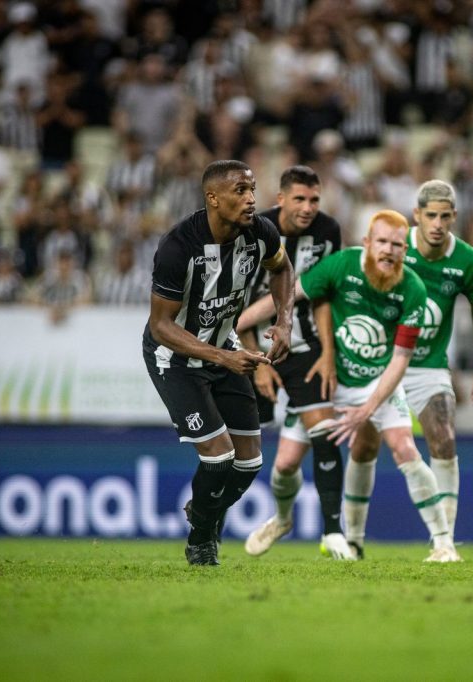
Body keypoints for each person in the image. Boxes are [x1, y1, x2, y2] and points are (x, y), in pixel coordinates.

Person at [238, 209, 461, 562]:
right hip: (329, 380)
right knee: (284, 465)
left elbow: (402, 360)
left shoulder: (413, 290)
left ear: (406, 251)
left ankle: (443, 543)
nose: (389, 251)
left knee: (405, 448)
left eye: (398, 245)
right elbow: (289, 294)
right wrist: (243, 321)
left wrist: (368, 409)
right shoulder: (342, 265)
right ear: (367, 244)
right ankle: (282, 520)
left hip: (377, 382)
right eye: (383, 242)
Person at [143, 159, 294, 566]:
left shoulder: (260, 232)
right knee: (219, 455)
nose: (250, 199)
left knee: (249, 463)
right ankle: (201, 542)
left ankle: (204, 513)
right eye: (240, 192)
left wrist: (283, 321)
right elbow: (160, 325)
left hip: (224, 350)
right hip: (175, 357)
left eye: (252, 189)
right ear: (213, 198)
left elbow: (282, 268)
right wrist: (223, 357)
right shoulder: (179, 247)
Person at [343, 180, 473, 547]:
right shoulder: (395, 246)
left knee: (444, 437)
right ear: (417, 216)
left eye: (445, 216)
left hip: (428, 365)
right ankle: (354, 538)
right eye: (431, 216)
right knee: (364, 446)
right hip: (382, 360)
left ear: (454, 217)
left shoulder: (467, 260)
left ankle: (444, 541)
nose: (438, 224)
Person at [238, 165, 355, 560]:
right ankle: (279, 519)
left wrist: (327, 350)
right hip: (251, 344)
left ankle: (334, 532)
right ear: (281, 199)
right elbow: (236, 300)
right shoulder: (252, 229)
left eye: (314, 200)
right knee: (280, 463)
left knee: (323, 432)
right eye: (300, 199)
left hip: (305, 346)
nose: (308, 208)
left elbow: (322, 292)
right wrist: (259, 361)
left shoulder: (328, 231)